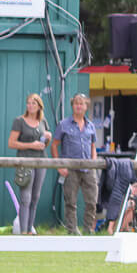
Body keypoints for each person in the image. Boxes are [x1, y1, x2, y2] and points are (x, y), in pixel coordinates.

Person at [51, 93, 98, 234]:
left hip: (88, 168)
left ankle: (88, 230)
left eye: (81, 103)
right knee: (70, 202)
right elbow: (54, 145)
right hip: (70, 168)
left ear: (86, 106)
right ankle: (72, 231)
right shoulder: (63, 124)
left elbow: (93, 146)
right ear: (72, 106)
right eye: (76, 103)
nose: (79, 106)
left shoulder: (91, 126)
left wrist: (94, 162)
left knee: (92, 201)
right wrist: (59, 166)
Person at [7, 93, 52, 235]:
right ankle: (23, 232)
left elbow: (43, 145)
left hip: (41, 161)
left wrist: (48, 139)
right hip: (24, 162)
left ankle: (29, 230)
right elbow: (11, 143)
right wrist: (31, 145)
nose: (30, 106)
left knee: (35, 197)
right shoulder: (19, 121)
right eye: (28, 103)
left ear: (39, 106)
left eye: (33, 103)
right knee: (25, 198)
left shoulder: (43, 121)